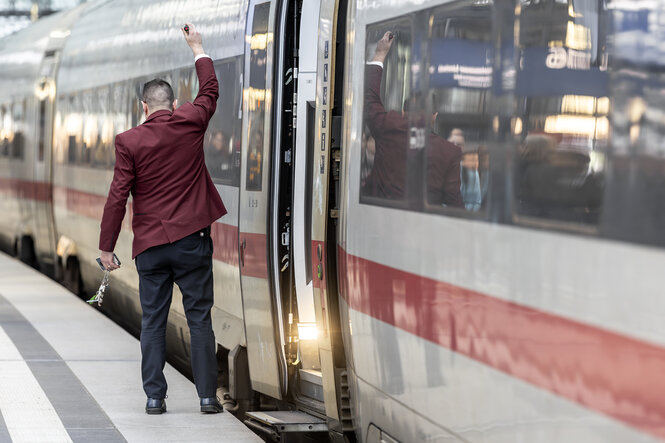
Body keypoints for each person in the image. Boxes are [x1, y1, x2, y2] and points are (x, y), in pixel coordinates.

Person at [98, 23, 227, 415]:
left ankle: (155, 397)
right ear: (172, 104)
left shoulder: (129, 141)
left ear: (144, 107)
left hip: (151, 249)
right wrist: (197, 47)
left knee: (153, 321)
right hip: (192, 243)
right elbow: (210, 92)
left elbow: (118, 196)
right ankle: (207, 397)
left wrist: (106, 247)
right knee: (199, 319)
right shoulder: (189, 121)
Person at [364, 32, 462, 207]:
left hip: (381, 223)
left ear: (403, 111)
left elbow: (369, 99)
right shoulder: (450, 152)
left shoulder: (389, 127)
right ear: (434, 116)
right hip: (423, 229)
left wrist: (380, 54)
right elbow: (454, 202)